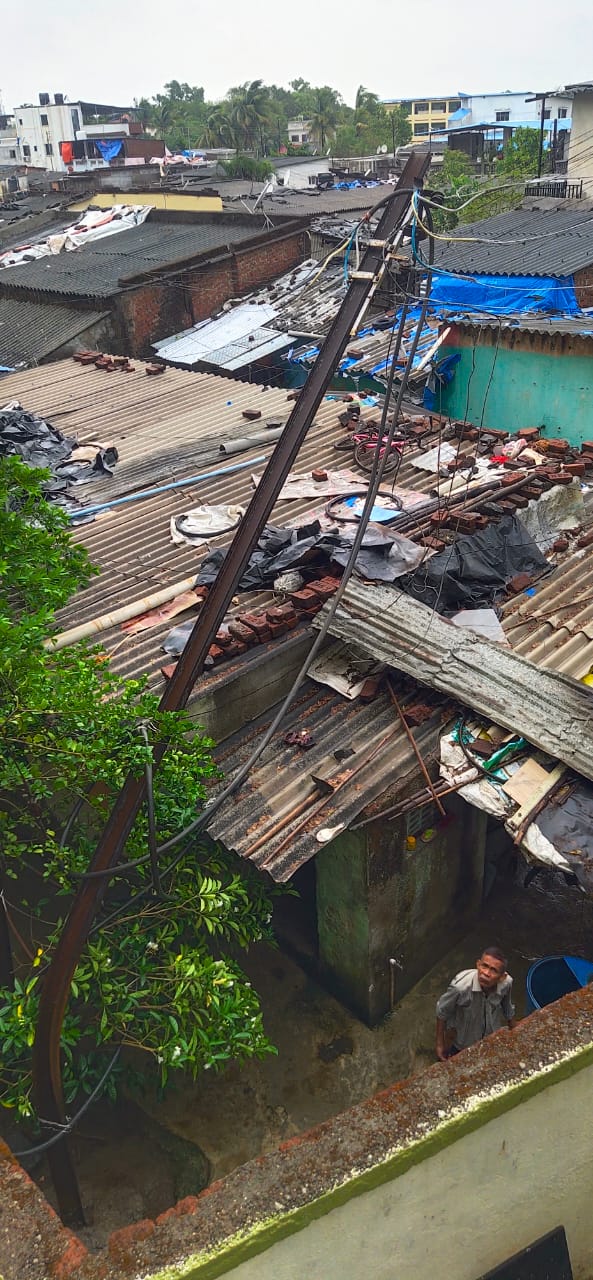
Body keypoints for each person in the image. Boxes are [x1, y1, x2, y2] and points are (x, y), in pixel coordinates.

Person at [435, 946, 516, 1061]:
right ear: (478, 964)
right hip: (462, 1039)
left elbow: (506, 1004)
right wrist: (439, 1044)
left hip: (490, 1033)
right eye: (484, 966)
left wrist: (513, 1025)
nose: (486, 973)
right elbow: (441, 1011)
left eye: (494, 970)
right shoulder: (460, 988)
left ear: (502, 977)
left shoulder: (506, 983)